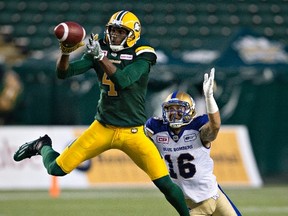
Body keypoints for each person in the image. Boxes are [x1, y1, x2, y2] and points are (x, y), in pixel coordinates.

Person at [13, 10, 190, 216]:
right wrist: (66, 51)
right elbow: (64, 73)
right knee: (56, 169)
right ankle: (42, 145)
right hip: (102, 128)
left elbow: (124, 81)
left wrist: (100, 57)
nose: (114, 35)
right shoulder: (101, 48)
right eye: (112, 30)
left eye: (120, 32)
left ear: (132, 34)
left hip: (133, 133)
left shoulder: (143, 53)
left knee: (166, 185)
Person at [145, 68, 242, 216]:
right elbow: (138, 139)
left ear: (190, 111)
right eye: (170, 109)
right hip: (190, 200)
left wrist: (209, 98)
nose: (174, 114)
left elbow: (215, 126)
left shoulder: (197, 127)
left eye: (179, 109)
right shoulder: (156, 129)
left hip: (212, 193)